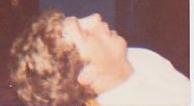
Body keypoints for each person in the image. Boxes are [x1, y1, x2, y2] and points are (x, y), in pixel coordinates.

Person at [10, 9, 190, 106]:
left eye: (79, 19)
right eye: (85, 33)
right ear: (87, 73)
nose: (95, 17)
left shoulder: (138, 56)